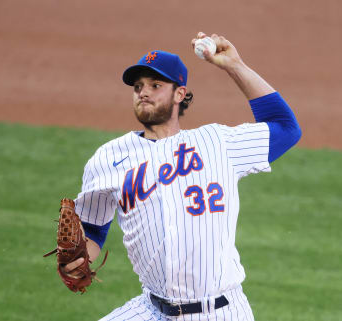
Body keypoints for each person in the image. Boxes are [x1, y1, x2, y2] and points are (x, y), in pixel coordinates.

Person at [64, 32, 302, 320]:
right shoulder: (108, 158)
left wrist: (234, 65)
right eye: (138, 86)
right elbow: (93, 229)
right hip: (151, 309)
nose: (144, 92)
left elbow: (286, 128)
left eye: (156, 85)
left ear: (180, 93)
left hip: (220, 312)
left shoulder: (218, 143)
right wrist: (78, 260)